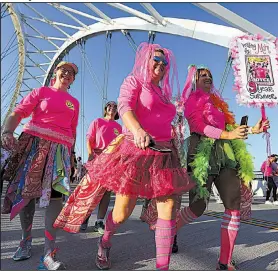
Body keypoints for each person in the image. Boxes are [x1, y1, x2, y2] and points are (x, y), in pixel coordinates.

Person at [54, 42, 195, 271]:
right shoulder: (134, 82)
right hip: (136, 152)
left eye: (164, 62)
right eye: (155, 60)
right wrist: (138, 130)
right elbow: (125, 106)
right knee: (121, 213)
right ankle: (105, 241)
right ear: (146, 62)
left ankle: (163, 266)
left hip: (164, 155)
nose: (160, 64)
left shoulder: (166, 94)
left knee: (168, 212)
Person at [142, 65, 270, 270]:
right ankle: (171, 231)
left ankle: (225, 261)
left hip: (224, 153)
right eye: (203, 76)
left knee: (233, 203)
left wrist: (253, 129)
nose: (208, 77)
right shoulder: (193, 99)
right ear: (194, 80)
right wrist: (228, 135)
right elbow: (198, 126)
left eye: (210, 75)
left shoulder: (217, 103)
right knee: (198, 206)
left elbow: (228, 128)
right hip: (201, 151)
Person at [1, 61, 79, 270]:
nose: (68, 73)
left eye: (72, 72)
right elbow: (18, 113)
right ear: (56, 72)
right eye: (64, 69)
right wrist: (8, 131)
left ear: (73, 79)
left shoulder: (74, 102)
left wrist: (71, 156)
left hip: (60, 151)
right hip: (35, 146)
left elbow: (73, 131)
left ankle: (48, 254)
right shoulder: (40, 92)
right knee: (28, 196)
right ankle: (26, 241)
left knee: (55, 197)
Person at [80, 101, 122, 232]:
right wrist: (90, 154)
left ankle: (99, 221)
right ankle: (85, 216)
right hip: (97, 158)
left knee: (106, 192)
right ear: (105, 109)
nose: (112, 108)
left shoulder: (119, 128)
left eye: (115, 107)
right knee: (92, 190)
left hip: (111, 162)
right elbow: (89, 139)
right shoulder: (97, 122)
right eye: (110, 106)